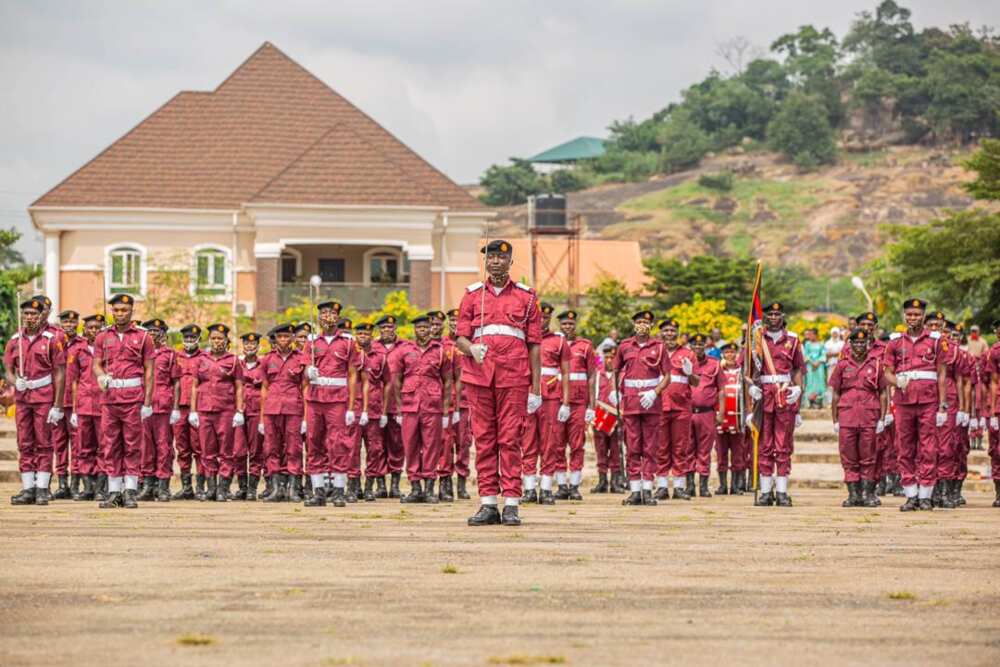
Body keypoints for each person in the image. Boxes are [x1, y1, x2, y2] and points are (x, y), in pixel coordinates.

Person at [455, 239, 542, 526]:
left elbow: (534, 345)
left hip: (514, 376)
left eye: (500, 258)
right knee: (484, 439)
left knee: (510, 439)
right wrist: (471, 349)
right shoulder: (472, 295)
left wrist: (536, 390)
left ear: (510, 262)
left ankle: (512, 504)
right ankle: (488, 503)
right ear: (485, 262)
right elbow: (459, 337)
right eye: (490, 257)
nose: (495, 262)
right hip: (479, 376)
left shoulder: (527, 298)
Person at [883, 299, 948, 511]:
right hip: (903, 401)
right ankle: (911, 494)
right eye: (909, 314)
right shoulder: (894, 342)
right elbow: (887, 373)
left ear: (923, 316)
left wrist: (943, 405)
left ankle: (926, 494)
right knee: (904, 447)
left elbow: (941, 374)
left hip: (928, 401)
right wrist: (897, 381)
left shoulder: (936, 341)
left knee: (929, 448)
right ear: (904, 316)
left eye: (917, 314)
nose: (913, 318)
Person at [91, 294, 154, 508]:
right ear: (111, 311)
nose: (120, 314)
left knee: (132, 445)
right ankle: (114, 491)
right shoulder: (102, 336)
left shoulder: (144, 337)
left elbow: (149, 371)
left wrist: (147, 403)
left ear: (131, 311)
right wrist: (101, 376)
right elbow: (96, 364)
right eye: (116, 310)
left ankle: (130, 491)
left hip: (133, 398)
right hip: (110, 398)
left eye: (124, 310)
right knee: (110, 445)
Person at [5, 296, 67, 505]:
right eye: (26, 314)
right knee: (25, 443)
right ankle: (28, 488)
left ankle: (42, 487)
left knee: (44, 443)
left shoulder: (51, 339)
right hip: (23, 398)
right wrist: (16, 382)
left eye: (34, 313)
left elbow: (59, 373)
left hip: (44, 397)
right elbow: (8, 372)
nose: (29, 317)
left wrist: (58, 406)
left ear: (41, 315)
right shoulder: (15, 341)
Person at [303, 301, 360, 508]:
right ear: (318, 317)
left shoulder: (347, 342)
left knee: (338, 444)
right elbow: (304, 370)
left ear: (338, 317)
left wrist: (352, 407)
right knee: (314, 442)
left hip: (337, 399)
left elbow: (353, 375)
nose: (328, 316)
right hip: (315, 399)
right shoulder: (310, 342)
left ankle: (338, 490)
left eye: (332, 313)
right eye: (324, 313)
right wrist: (309, 371)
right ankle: (318, 491)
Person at [392, 313, 452, 503]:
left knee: (431, 447)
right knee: (410, 446)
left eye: (426, 327)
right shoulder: (405, 350)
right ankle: (415, 487)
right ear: (414, 330)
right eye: (420, 328)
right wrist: (399, 409)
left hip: (432, 406)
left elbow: (448, 381)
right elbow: (396, 380)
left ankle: (429, 488)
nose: (423, 331)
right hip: (410, 406)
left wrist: (445, 411)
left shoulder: (440, 351)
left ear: (432, 329)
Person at [749, 302, 805, 507]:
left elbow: (798, 369)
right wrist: (749, 391)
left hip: (784, 395)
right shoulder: (756, 339)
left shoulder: (793, 339)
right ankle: (765, 492)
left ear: (783, 316)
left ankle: (781, 491)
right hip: (762, 396)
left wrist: (799, 393)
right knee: (764, 445)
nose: (773, 317)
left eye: (777, 314)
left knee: (783, 445)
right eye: (769, 314)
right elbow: (745, 370)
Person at [829, 328, 887, 507]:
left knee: (869, 456)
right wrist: (835, 420)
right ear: (850, 344)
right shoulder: (842, 365)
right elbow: (836, 393)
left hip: (869, 415)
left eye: (863, 342)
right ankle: (853, 494)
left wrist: (883, 418)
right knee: (848, 456)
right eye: (856, 342)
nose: (859, 346)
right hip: (847, 416)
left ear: (868, 345)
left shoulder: (876, 365)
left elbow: (883, 392)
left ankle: (868, 493)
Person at [190, 323, 245, 502]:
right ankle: (211, 488)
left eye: (220, 338)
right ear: (209, 340)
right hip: (205, 410)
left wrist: (239, 410)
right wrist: (193, 411)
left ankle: (223, 488)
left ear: (226, 340)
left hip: (226, 411)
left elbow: (239, 387)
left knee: (226, 451)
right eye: (213, 338)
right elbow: (194, 386)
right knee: (207, 451)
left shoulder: (234, 360)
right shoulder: (201, 359)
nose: (216, 342)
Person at [615, 310, 663, 506]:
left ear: (651, 325)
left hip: (651, 403)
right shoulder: (625, 346)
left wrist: (655, 392)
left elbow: (667, 374)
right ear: (633, 324)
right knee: (633, 447)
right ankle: (635, 490)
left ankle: (647, 490)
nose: (642, 325)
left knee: (650, 448)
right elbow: (616, 370)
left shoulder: (659, 347)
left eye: (646, 322)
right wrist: (616, 391)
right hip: (631, 403)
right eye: (639, 322)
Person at [654, 318, 700, 500]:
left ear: (678, 333)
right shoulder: (654, 352)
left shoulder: (688, 354)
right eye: (666, 331)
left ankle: (679, 487)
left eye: (673, 331)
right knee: (661, 447)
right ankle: (662, 486)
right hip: (659, 406)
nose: (669, 334)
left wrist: (690, 373)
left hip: (681, 407)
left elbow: (696, 382)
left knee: (681, 447)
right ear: (660, 333)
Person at [261, 323, 307, 502]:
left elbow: (305, 387)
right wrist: (261, 417)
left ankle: (293, 488)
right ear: (275, 339)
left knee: (293, 448)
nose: (283, 340)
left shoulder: (301, 358)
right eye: (280, 337)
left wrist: (305, 416)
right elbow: (264, 388)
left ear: (293, 339)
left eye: (287, 337)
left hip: (293, 408)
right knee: (271, 448)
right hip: (272, 408)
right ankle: (276, 488)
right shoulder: (267, 359)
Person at [554, 309, 595, 500]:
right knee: (557, 444)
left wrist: (591, 407)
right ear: (559, 325)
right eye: (564, 324)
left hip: (578, 402)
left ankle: (575, 485)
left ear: (575, 325)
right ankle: (562, 485)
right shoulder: (554, 344)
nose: (567, 327)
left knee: (577, 444)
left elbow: (592, 376)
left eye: (571, 324)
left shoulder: (585, 346)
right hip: (557, 401)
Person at [138, 319, 180, 502]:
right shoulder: (139, 353)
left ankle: (163, 485)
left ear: (163, 334)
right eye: (150, 331)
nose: (153, 334)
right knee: (145, 446)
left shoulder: (169, 355)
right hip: (143, 405)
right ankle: (147, 485)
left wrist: (176, 408)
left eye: (156, 331)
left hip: (163, 406)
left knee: (164, 446)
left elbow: (176, 382)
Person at [534, 303, 571, 503]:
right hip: (529, 396)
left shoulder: (558, 341)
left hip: (551, 396)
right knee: (527, 442)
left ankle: (546, 487)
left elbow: (566, 373)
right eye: (539, 317)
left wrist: (565, 402)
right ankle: (529, 487)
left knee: (550, 443)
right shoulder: (524, 339)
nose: (542, 321)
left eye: (545, 319)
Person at [65, 314, 104, 500]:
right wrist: (73, 409)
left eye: (98, 327)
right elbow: (73, 381)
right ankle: (88, 486)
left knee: (104, 447)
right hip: (83, 405)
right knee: (84, 447)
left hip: (104, 405)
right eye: (90, 328)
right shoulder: (78, 350)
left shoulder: (108, 349)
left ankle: (101, 488)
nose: (94, 331)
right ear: (84, 329)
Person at [374, 315, 408, 498]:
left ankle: (395, 483)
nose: (387, 330)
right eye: (384, 327)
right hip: (375, 403)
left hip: (397, 403)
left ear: (395, 328)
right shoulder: (372, 347)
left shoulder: (405, 347)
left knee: (397, 444)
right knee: (377, 444)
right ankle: (380, 483)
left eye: (390, 326)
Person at [438, 308, 471, 501]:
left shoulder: (469, 344)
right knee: (445, 443)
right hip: (445, 403)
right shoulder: (442, 344)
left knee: (464, 442)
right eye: (451, 320)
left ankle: (462, 482)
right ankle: (445, 481)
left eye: (458, 320)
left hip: (466, 401)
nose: (454, 323)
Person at [354, 322, 387, 502]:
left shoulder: (380, 357)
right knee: (352, 449)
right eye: (360, 332)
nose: (363, 335)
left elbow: (388, 382)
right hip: (353, 407)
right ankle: (355, 486)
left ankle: (369, 486)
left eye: (366, 333)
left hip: (374, 408)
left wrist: (384, 411)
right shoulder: (349, 356)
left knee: (375, 449)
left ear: (372, 335)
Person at [50, 309, 79, 499]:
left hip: (77, 403)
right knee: (59, 444)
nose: (69, 325)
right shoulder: (53, 343)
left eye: (72, 322)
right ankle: (62, 483)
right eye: (65, 322)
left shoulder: (82, 345)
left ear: (77, 324)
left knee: (78, 444)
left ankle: (76, 484)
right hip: (57, 401)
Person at [172, 324, 204, 500]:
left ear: (199, 338)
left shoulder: (205, 358)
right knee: (182, 448)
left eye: (193, 338)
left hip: (198, 409)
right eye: (187, 338)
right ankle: (186, 487)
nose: (189, 341)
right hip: (179, 408)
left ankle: (200, 487)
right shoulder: (176, 357)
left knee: (199, 448)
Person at [689, 333, 721, 496]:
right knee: (687, 449)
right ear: (690, 347)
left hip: (707, 413)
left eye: (701, 345)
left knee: (704, 450)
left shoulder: (714, 364)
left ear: (705, 347)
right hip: (687, 413)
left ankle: (703, 485)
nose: (698, 348)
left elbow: (721, 388)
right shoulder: (684, 363)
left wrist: (720, 412)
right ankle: (688, 486)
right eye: (694, 345)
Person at [591, 343, 626, 493]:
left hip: (617, 416)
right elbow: (592, 393)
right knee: (600, 449)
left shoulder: (622, 375)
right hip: (600, 414)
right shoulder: (597, 374)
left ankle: (615, 482)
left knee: (616, 450)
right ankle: (602, 481)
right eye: (607, 358)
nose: (610, 360)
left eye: (613, 357)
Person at [235, 332, 265, 500]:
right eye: (246, 344)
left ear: (258, 346)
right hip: (239, 411)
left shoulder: (264, 364)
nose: (250, 347)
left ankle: (252, 488)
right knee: (238, 451)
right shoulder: (237, 364)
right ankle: (242, 487)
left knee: (256, 451)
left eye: (253, 344)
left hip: (256, 411)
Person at [715, 343, 747, 495]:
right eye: (727, 352)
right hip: (720, 417)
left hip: (737, 418)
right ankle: (722, 485)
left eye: (732, 352)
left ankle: (736, 485)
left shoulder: (743, 372)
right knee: (721, 452)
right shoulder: (717, 370)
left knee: (738, 453)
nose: (730, 355)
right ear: (722, 354)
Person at [987, 320, 1000, 507]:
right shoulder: (995, 352)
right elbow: (993, 382)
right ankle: (999, 493)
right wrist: (991, 411)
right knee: (997, 450)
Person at [803, 328, 827, 408]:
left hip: (819, 365)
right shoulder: (807, 344)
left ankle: (820, 401)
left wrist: (818, 362)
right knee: (810, 381)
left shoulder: (821, 344)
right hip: (810, 365)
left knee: (820, 381)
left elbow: (824, 354)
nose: (809, 336)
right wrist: (811, 362)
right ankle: (809, 402)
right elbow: (805, 354)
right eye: (809, 334)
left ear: (816, 335)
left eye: (811, 334)